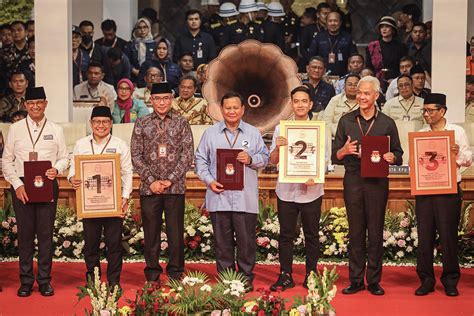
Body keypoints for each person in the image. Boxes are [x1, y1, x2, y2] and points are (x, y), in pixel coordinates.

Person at [332, 76, 403, 296]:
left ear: (376, 96)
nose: (361, 96)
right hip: (353, 180)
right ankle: (355, 280)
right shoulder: (346, 120)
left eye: (366, 93)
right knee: (355, 232)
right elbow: (336, 156)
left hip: (377, 183)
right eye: (359, 92)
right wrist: (344, 151)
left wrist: (393, 157)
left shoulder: (387, 122)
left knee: (375, 231)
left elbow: (399, 154)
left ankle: (373, 280)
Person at [195, 91, 269, 291]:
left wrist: (252, 159)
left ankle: (245, 278)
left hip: (245, 198)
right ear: (221, 109)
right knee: (222, 242)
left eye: (236, 107)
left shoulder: (253, 133)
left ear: (243, 109)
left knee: (246, 242)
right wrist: (209, 181)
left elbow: (265, 156)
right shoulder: (210, 133)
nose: (232, 111)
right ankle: (227, 279)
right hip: (219, 196)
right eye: (228, 108)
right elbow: (200, 160)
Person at [2, 87, 68, 297]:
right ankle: (26, 281)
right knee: (25, 235)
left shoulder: (56, 129)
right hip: (22, 186)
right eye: (31, 103)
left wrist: (56, 169)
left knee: (46, 235)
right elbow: (6, 160)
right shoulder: (15, 129)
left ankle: (45, 281)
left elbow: (65, 157)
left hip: (47, 183)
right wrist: (16, 184)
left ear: (46, 103)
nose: (35, 106)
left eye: (39, 102)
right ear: (25, 105)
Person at [131, 82, 194, 285]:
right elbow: (136, 155)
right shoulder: (141, 123)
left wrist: (169, 180)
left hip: (175, 188)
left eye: (166, 98)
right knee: (151, 234)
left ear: (172, 99)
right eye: (157, 98)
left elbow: (187, 155)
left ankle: (175, 273)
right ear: (151, 100)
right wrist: (151, 181)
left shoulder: (182, 122)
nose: (162, 102)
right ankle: (152, 274)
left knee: (175, 233)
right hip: (149, 189)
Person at [269, 86, 329, 291]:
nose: (300, 104)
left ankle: (311, 275)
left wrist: (316, 175)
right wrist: (277, 147)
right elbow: (272, 160)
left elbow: (325, 160)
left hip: (312, 190)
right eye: (296, 101)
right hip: (286, 190)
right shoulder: (280, 129)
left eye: (304, 101)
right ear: (291, 103)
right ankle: (285, 275)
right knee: (286, 234)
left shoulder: (320, 128)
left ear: (311, 104)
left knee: (311, 235)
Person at [68, 106, 133, 292]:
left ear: (111, 124)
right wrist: (72, 178)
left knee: (114, 245)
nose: (101, 125)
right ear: (91, 124)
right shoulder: (81, 144)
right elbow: (73, 169)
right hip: (90, 204)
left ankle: (114, 282)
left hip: (112, 203)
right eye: (97, 122)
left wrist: (125, 197)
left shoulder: (120, 144)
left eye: (105, 122)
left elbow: (127, 173)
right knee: (91, 244)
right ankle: (92, 280)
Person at [414, 93, 472, 296]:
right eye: (424, 110)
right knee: (425, 237)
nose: (427, 114)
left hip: (448, 191)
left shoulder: (456, 131)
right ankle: (426, 280)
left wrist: (457, 154)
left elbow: (468, 159)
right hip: (425, 191)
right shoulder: (420, 133)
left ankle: (450, 280)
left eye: (430, 110)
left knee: (448, 237)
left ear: (442, 111)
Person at [307, 11, 357, 77]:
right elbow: (311, 56)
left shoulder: (347, 37)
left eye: (335, 21)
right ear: (326, 23)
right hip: (322, 76)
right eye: (330, 21)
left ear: (340, 22)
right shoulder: (319, 37)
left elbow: (354, 56)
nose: (333, 23)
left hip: (343, 75)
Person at [366, 16, 407, 91]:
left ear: (393, 29)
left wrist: (395, 81)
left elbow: (403, 67)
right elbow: (369, 67)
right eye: (382, 27)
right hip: (376, 82)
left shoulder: (401, 47)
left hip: (396, 81)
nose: (384, 29)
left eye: (387, 26)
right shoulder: (372, 46)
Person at [323, 74, 360, 139]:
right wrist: (340, 133)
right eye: (349, 84)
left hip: (359, 138)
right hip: (336, 138)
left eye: (356, 85)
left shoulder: (365, 100)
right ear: (344, 87)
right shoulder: (335, 100)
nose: (352, 87)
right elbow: (326, 122)